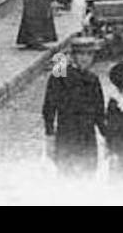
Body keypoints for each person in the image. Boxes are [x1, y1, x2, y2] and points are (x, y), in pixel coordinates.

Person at [42, 37, 105, 176]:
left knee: (88, 174)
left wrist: (108, 135)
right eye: (81, 54)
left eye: (89, 55)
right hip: (67, 133)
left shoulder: (93, 79)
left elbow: (99, 111)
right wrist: (50, 134)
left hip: (87, 135)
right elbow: (49, 107)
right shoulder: (60, 75)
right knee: (67, 174)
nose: (85, 58)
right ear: (73, 56)